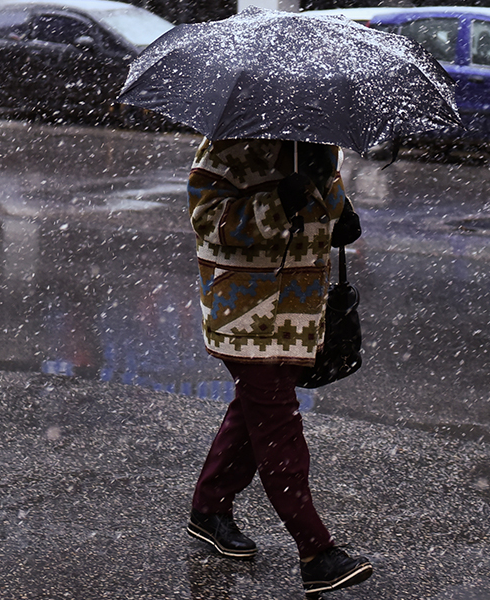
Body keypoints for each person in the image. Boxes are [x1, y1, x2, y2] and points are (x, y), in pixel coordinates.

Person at [185, 137, 370, 595]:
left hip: (297, 314)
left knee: (253, 414)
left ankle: (209, 509)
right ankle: (316, 551)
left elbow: (326, 211)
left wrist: (339, 213)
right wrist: (277, 203)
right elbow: (208, 221)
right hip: (244, 314)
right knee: (278, 430)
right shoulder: (226, 148)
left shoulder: (318, 144)